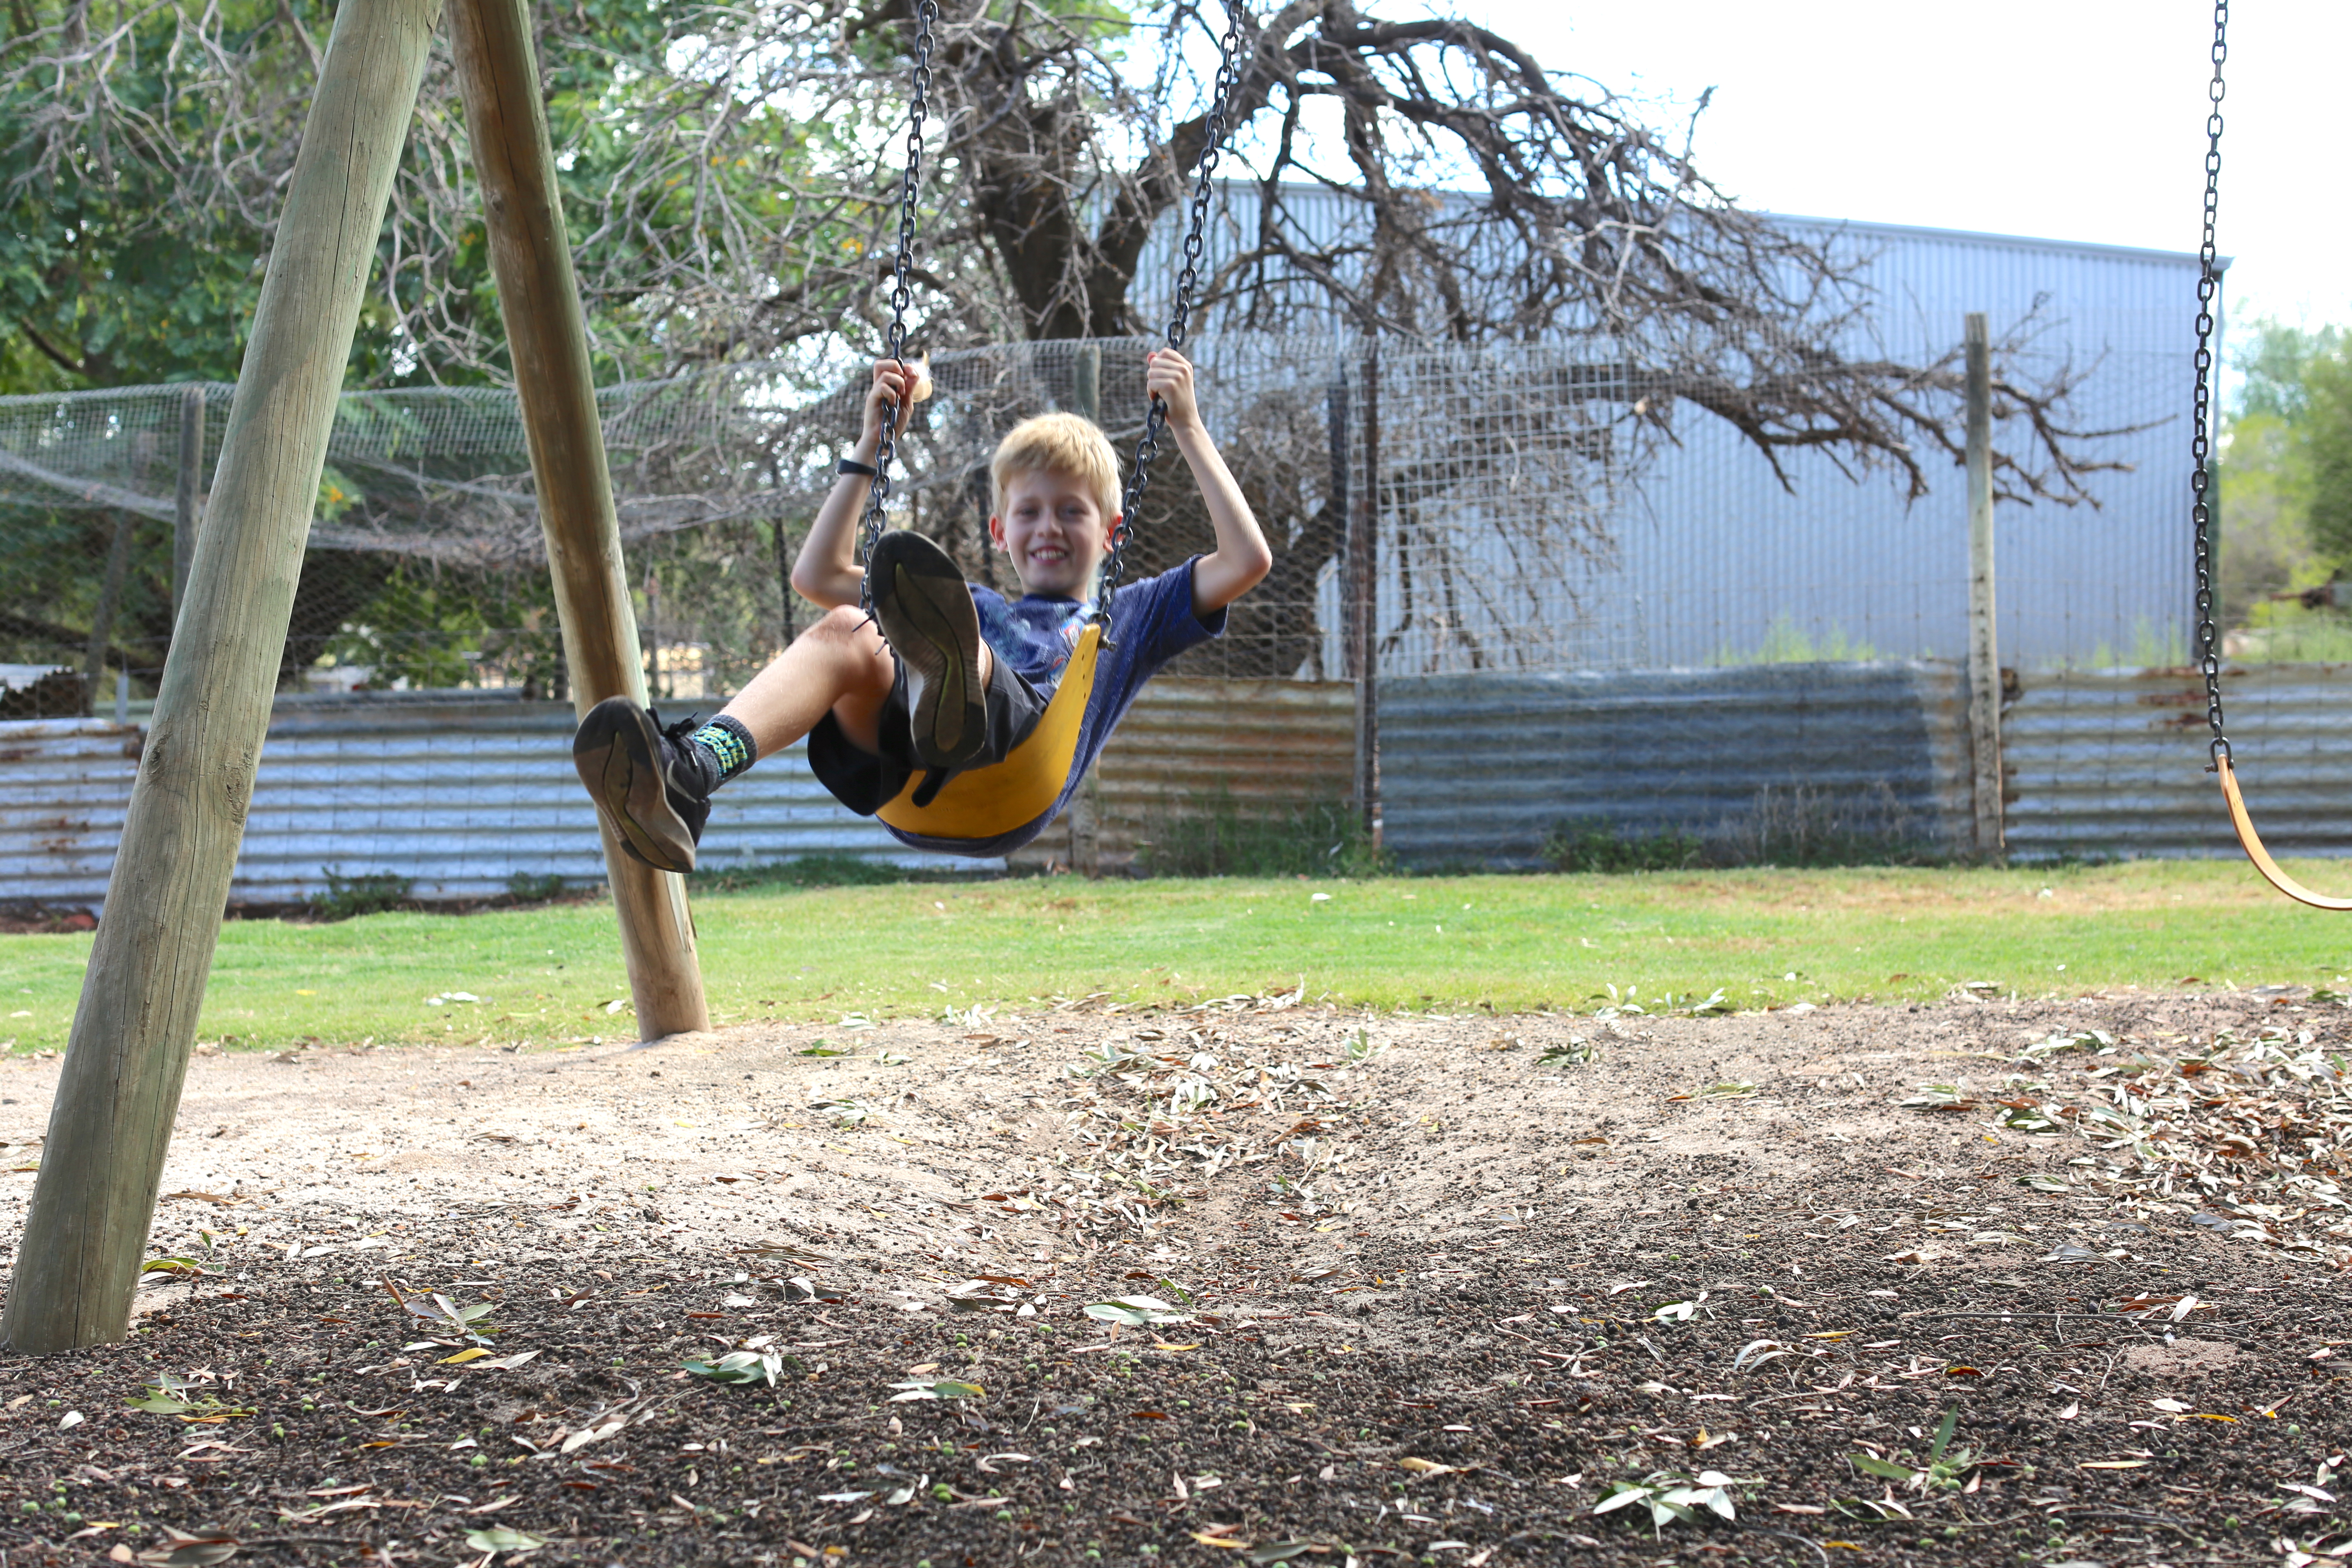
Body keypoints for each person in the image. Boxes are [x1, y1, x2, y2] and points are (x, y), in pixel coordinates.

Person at [572, 349, 1272, 868]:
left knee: (943, 630)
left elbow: (1246, 561)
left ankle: (954, 695)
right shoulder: (956, 603)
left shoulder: (1132, 613)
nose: (1048, 528)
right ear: (1000, 532)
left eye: (1072, 512)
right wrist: (872, 442)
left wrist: (1188, 427)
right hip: (904, 781)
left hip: (1018, 773)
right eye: (1028, 512)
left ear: (1112, 533)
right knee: (850, 627)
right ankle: (689, 774)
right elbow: (816, 574)